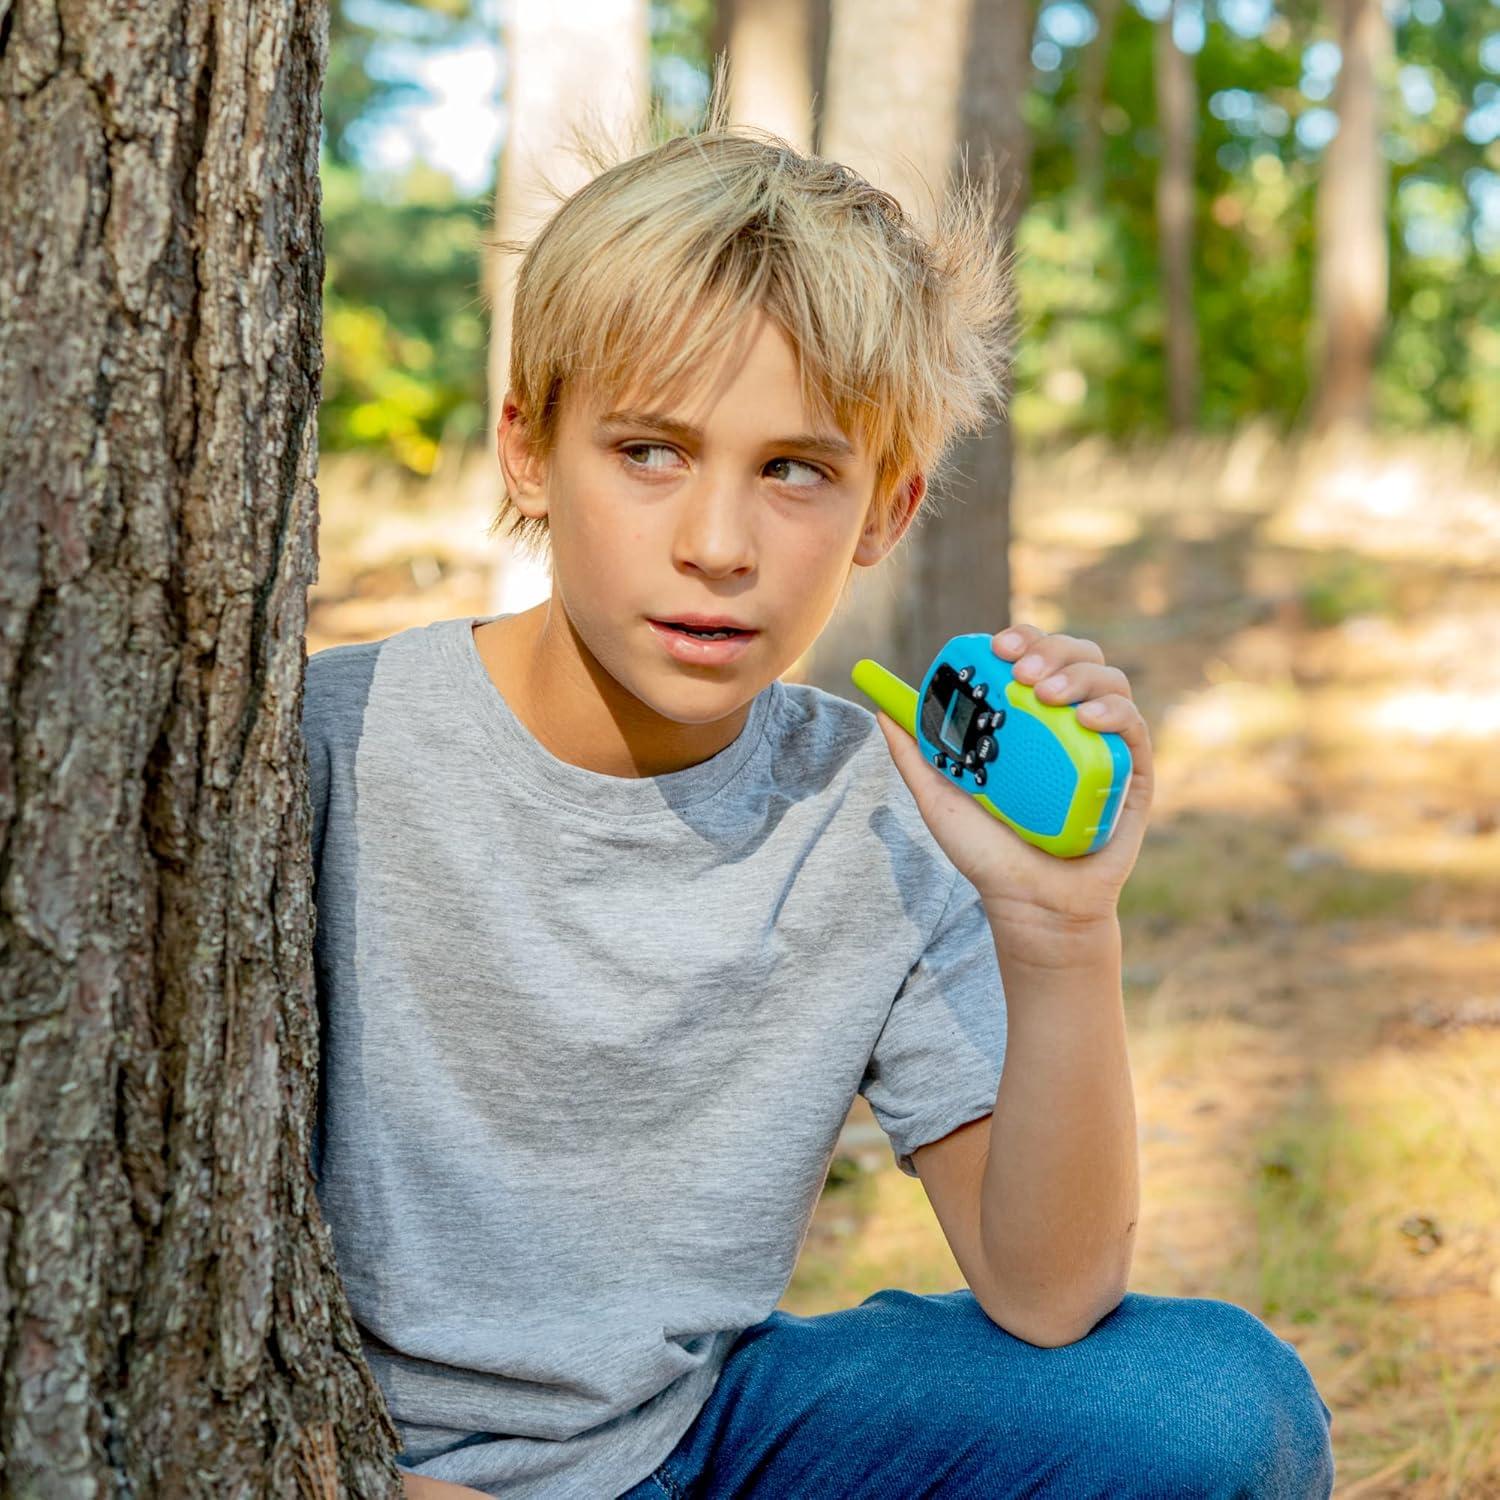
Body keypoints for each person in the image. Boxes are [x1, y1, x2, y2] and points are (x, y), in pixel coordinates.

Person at [302, 101, 1335, 1500]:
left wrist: (1058, 927)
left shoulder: (876, 811)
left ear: (888, 514)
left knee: (1216, 1406)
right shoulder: (330, 742)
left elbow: (1050, 1294)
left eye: (796, 471)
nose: (718, 545)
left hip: (693, 1444)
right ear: (530, 450)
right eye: (650, 451)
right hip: (339, 1458)